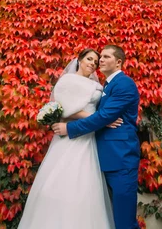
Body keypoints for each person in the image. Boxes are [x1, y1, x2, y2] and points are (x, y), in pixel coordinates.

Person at [18, 48, 121, 229]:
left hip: (88, 139)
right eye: (89, 59)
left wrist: (100, 119)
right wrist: (101, 120)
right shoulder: (67, 80)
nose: (92, 64)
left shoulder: (97, 85)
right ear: (79, 59)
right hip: (70, 138)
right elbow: (67, 108)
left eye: (96, 62)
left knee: (87, 186)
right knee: (63, 180)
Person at [52, 45, 141, 229]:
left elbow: (104, 117)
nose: (100, 60)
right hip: (104, 156)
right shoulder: (107, 85)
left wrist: (69, 128)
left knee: (125, 221)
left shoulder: (124, 83)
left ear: (118, 62)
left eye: (106, 57)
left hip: (121, 158)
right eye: (100, 57)